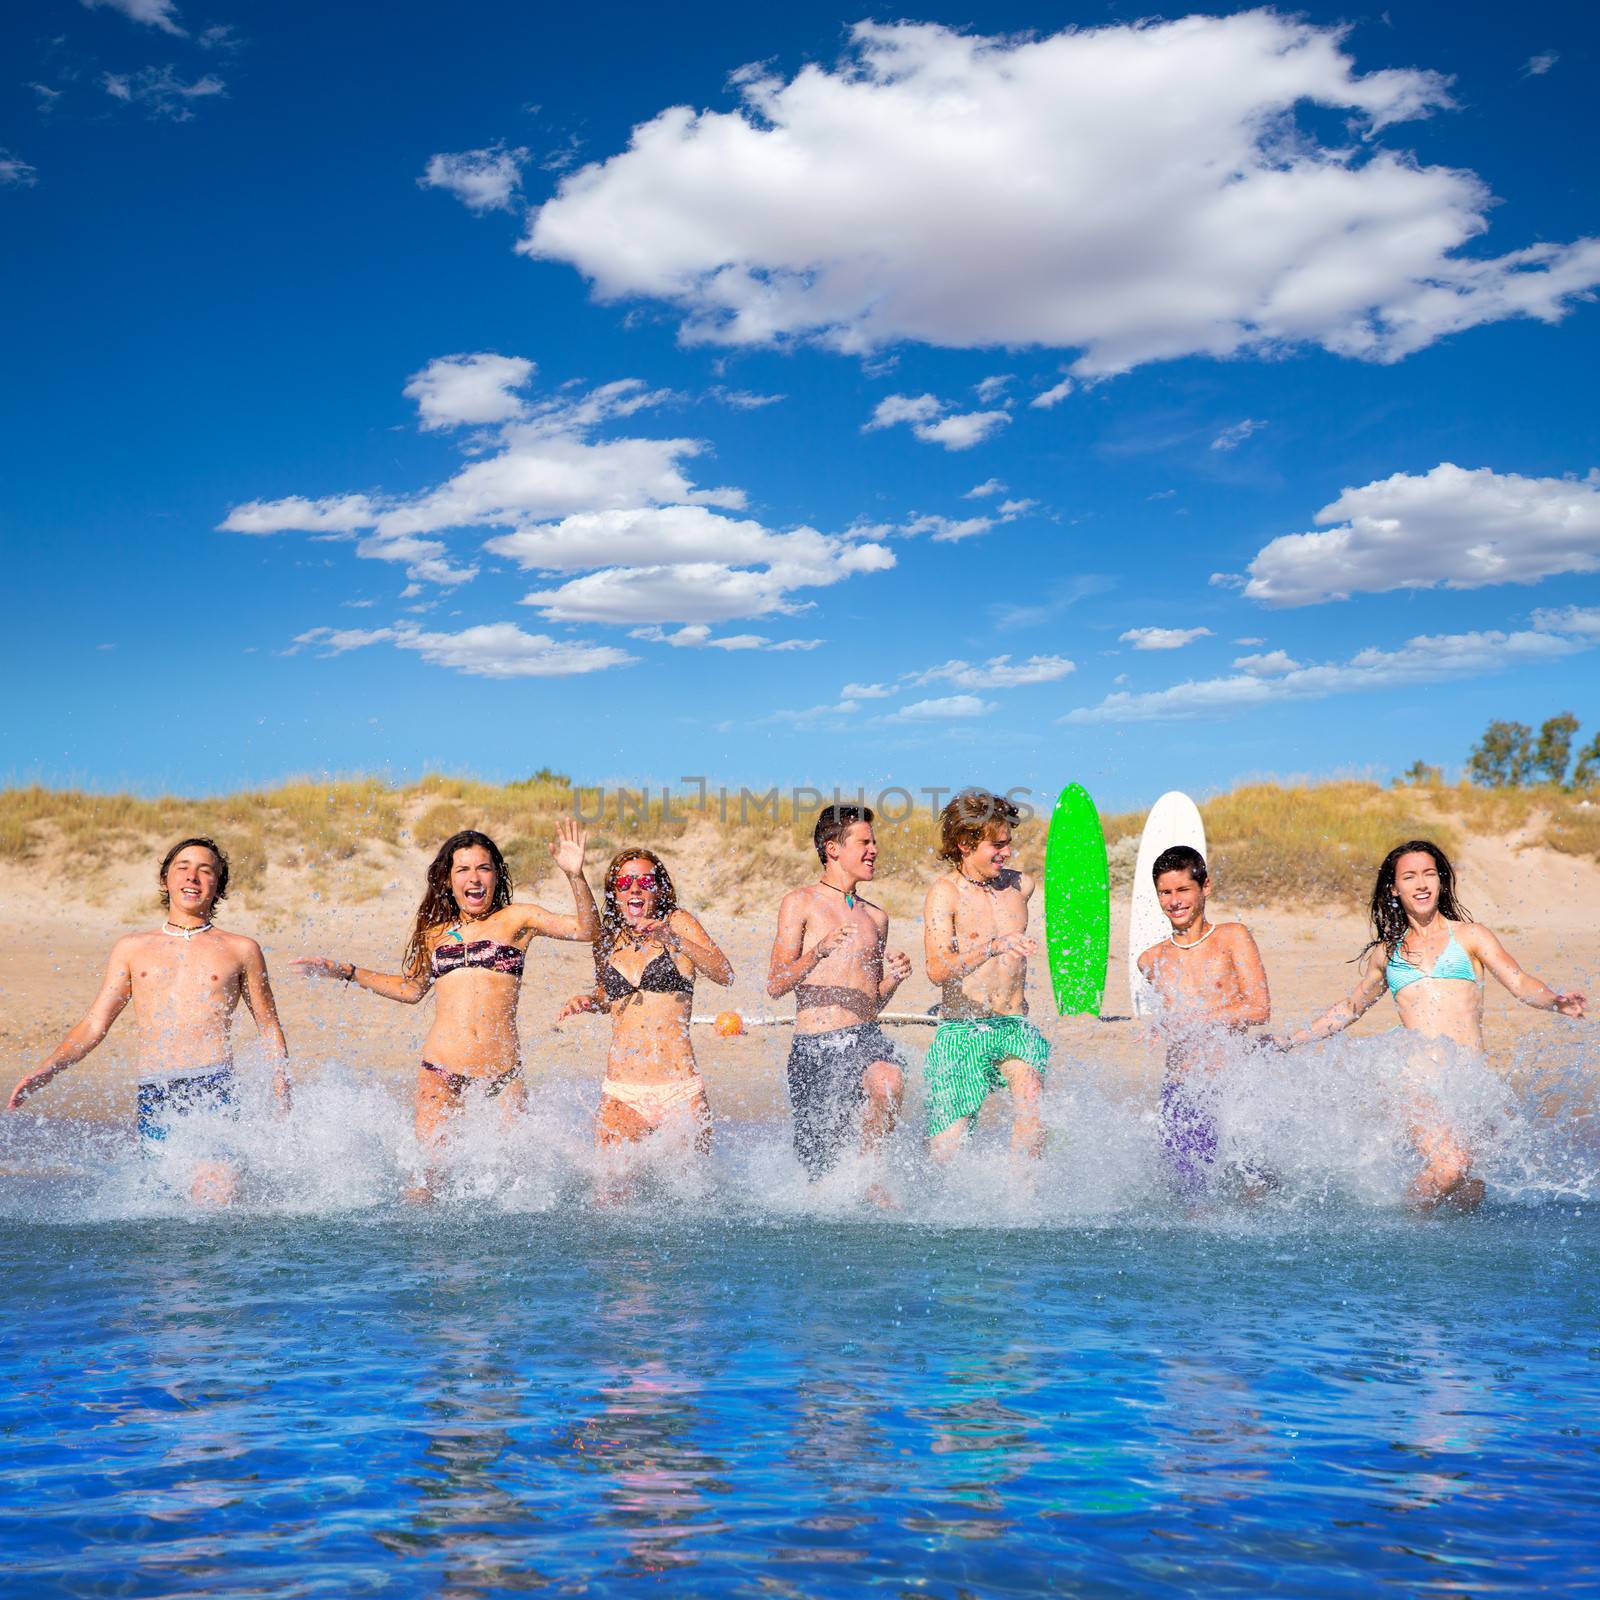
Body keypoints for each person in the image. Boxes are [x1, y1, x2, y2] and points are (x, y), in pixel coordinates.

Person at [1275, 839, 1587, 1211]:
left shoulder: (1470, 936)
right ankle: (1401, 1230)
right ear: (1394, 888)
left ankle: (1448, 1264)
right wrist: (1291, 1040)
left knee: (1470, 1192)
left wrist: (1555, 1000)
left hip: (1468, 1080)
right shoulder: (1386, 954)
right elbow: (1349, 1008)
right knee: (1449, 1165)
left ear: (1440, 881)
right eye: (1409, 877)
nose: (1420, 884)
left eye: (1428, 875)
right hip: (1413, 1080)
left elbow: (1519, 982)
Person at [293, 820, 598, 1188]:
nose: (475, 878)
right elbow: (411, 989)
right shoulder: (434, 933)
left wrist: (575, 876)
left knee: (515, 1183)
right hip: (440, 1071)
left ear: (496, 876)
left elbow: (587, 930)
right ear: (449, 880)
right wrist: (346, 971)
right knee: (427, 1181)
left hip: (501, 1075)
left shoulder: (518, 918)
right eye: (463, 869)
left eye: (484, 868)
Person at [7, 836, 290, 1204]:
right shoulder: (132, 948)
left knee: (216, 1195)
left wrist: (281, 1084)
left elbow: (268, 1025)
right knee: (168, 1212)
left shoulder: (241, 949)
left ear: (218, 886)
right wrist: (47, 1070)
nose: (193, 877)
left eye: (206, 871)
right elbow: (95, 1024)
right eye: (183, 868)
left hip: (213, 1087)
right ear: (165, 879)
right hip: (156, 1092)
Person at [767, 804, 913, 1186]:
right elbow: (777, 984)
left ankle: (871, 1177)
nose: (874, 850)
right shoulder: (800, 902)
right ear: (833, 848)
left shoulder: (876, 917)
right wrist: (819, 952)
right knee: (818, 1172)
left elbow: (872, 1003)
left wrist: (894, 979)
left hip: (865, 1038)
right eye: (864, 842)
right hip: (814, 1046)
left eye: (874, 842)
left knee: (889, 1080)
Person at [556, 849, 732, 1153]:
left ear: (659, 888)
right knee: (609, 1194)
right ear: (615, 893)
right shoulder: (608, 938)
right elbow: (606, 994)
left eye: (645, 881)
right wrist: (589, 1000)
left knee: (693, 1198)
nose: (634, 888)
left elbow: (724, 973)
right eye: (624, 882)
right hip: (622, 1090)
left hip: (679, 1088)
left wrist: (673, 939)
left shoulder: (678, 922)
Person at [1135, 845, 1271, 1195]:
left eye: (1183, 890)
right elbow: (1169, 1021)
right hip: (1181, 1090)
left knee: (1252, 1191)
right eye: (1165, 892)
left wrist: (1194, 1019)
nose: (1174, 901)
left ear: (1205, 887)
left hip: (1233, 1085)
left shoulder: (1232, 936)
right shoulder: (1150, 960)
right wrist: (1159, 1025)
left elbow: (1258, 1008)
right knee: (1192, 1199)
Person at [922, 790, 1048, 1160]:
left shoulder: (1021, 886)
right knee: (948, 1148)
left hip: (1013, 1024)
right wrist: (990, 947)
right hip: (963, 1028)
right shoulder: (944, 893)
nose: (1006, 853)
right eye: (997, 845)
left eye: (1008, 843)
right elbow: (936, 970)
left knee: (1031, 1095)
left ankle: (1021, 1202)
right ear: (965, 843)